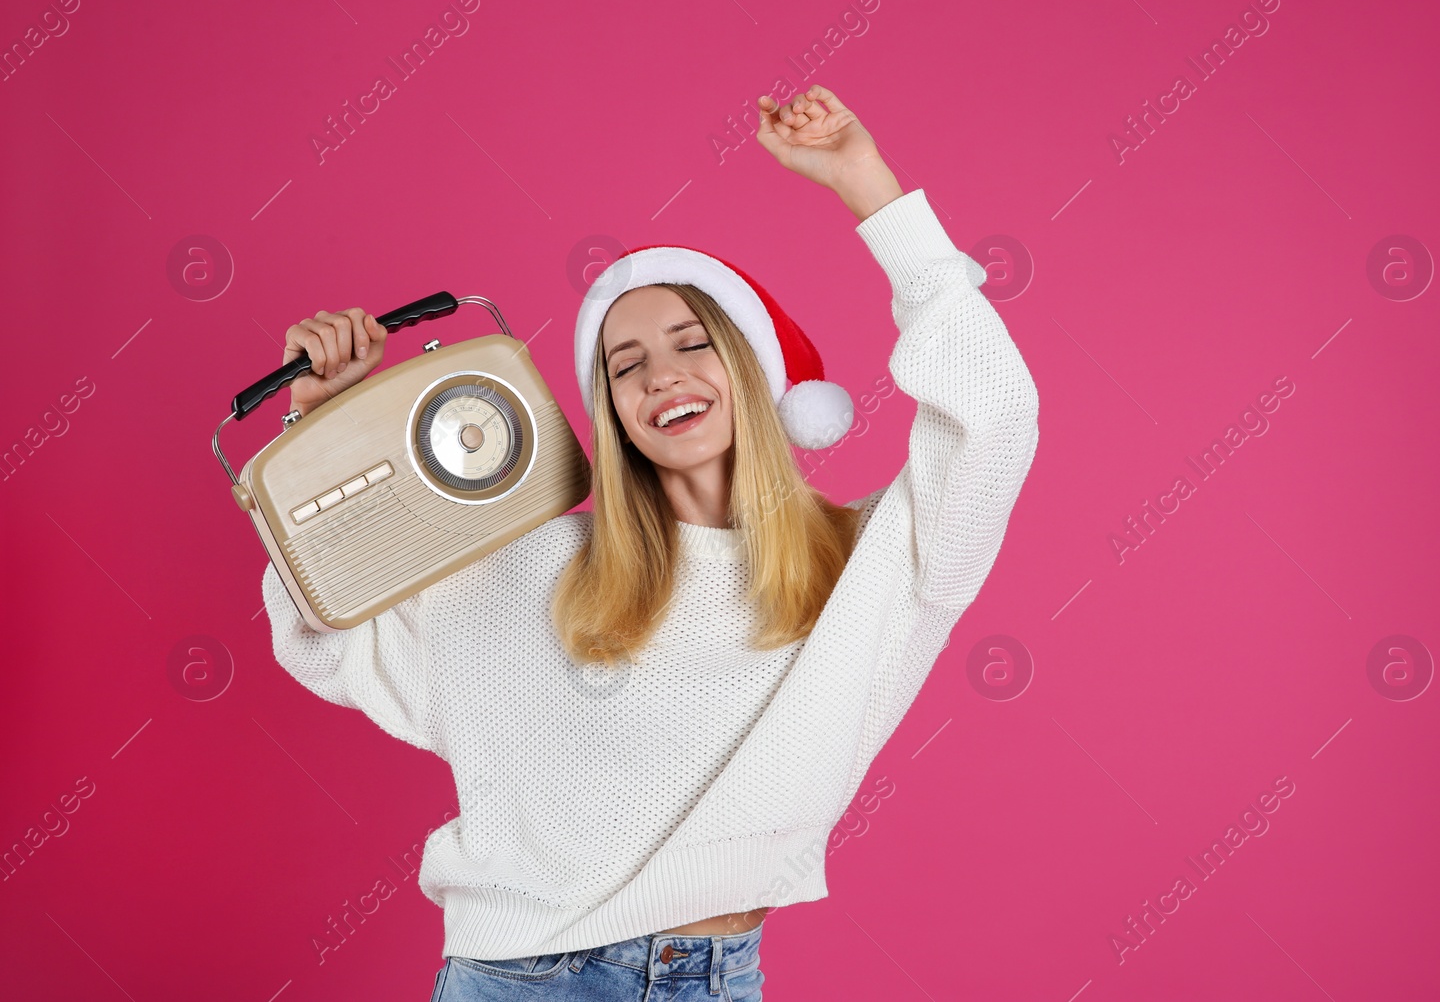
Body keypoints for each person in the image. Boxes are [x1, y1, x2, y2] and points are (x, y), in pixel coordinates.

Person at [264, 84, 1040, 1001]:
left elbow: (995, 414)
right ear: (614, 414)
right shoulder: (528, 564)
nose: (661, 376)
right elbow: (331, 632)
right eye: (624, 365)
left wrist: (863, 182)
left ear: (751, 371)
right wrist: (326, 428)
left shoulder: (867, 566)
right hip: (521, 980)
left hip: (718, 977)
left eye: (692, 343)